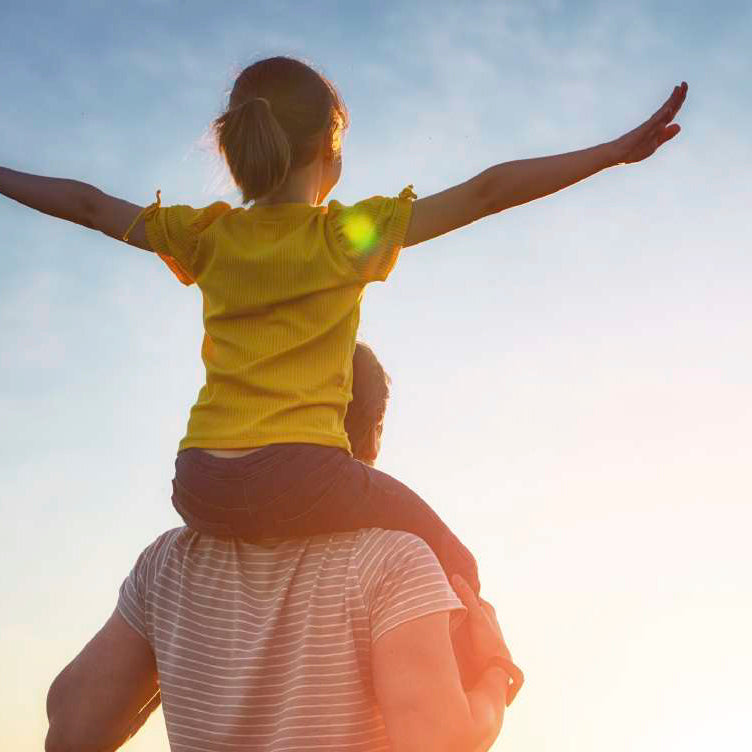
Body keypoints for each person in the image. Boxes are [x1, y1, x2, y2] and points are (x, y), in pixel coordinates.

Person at [0, 57, 688, 596]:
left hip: (199, 483)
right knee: (457, 565)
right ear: (331, 151)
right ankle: (477, 698)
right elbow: (487, 191)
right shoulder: (347, 236)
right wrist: (608, 153)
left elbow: (87, 204)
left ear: (242, 149)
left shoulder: (205, 237)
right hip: (303, 475)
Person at [44, 342, 522, 752]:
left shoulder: (168, 564)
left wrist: (174, 653)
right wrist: (497, 673)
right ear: (373, 433)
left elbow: (70, 730)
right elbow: (438, 744)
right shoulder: (394, 562)